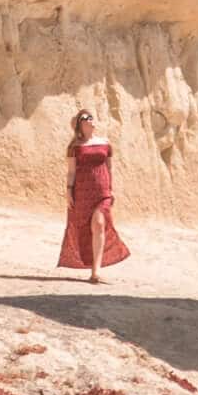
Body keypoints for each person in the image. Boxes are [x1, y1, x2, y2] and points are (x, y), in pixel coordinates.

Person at [57, 106, 129, 282]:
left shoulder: (105, 142)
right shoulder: (74, 147)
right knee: (86, 229)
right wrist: (68, 192)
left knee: (98, 223)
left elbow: (110, 167)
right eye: (86, 117)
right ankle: (92, 267)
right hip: (82, 192)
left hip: (102, 192)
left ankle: (96, 271)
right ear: (79, 124)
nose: (91, 119)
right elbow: (71, 172)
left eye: (91, 117)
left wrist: (111, 190)